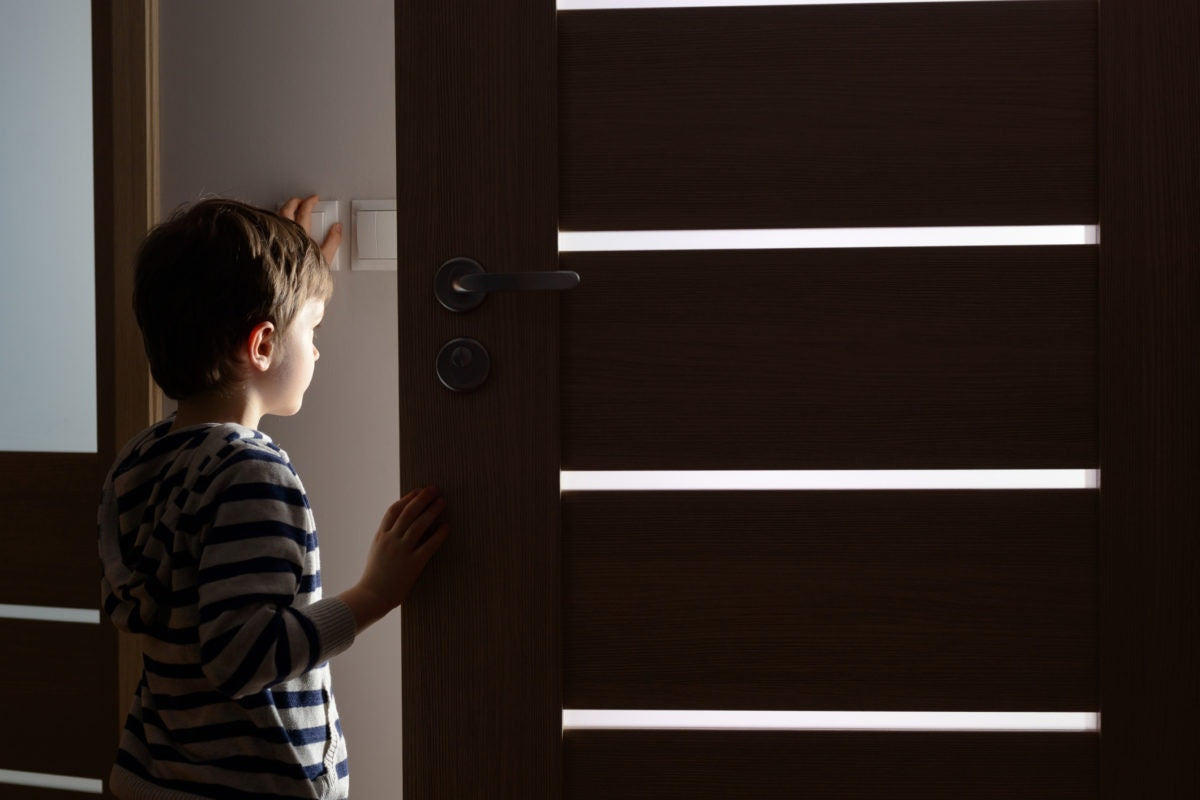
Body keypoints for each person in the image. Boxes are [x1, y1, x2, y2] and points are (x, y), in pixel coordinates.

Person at [97, 194, 449, 799]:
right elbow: (240, 656)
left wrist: (289, 277)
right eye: (311, 330)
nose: (315, 350)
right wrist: (375, 595)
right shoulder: (252, 473)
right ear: (260, 345)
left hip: (157, 774)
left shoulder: (142, 459)